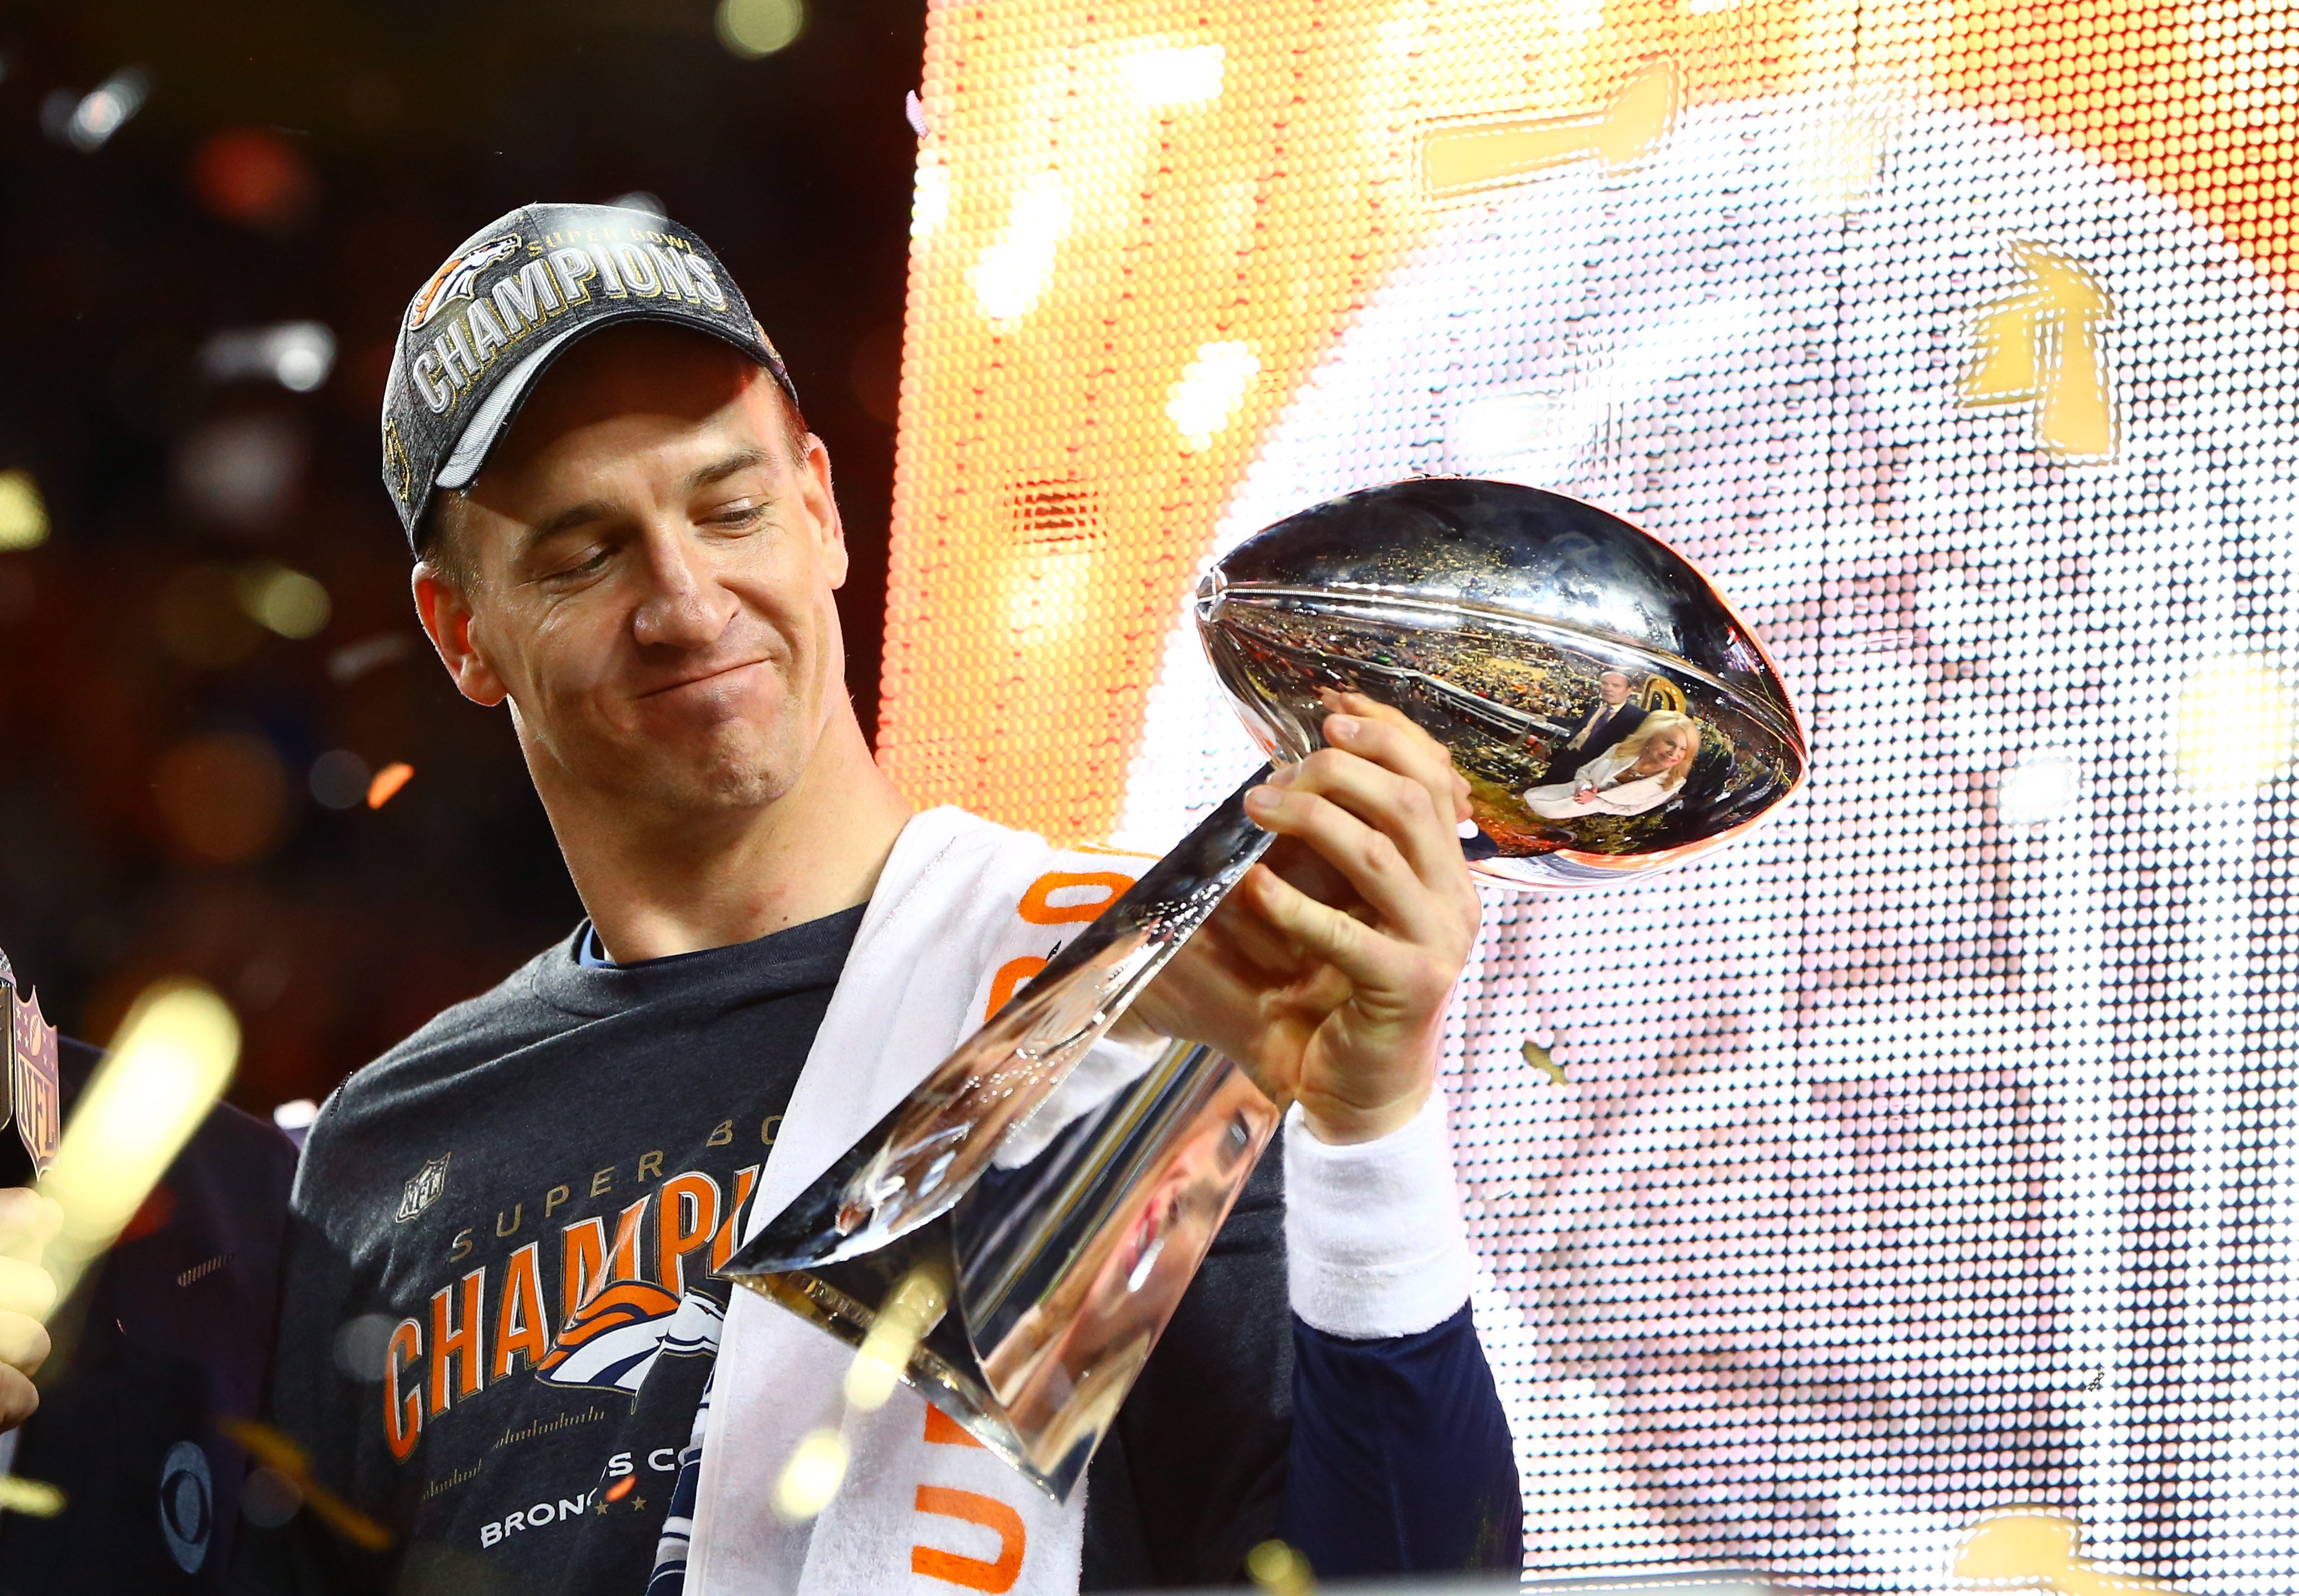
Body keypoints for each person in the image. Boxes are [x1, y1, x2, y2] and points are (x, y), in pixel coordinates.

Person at [217, 204, 1519, 1595]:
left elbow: (1405, 1583)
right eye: (583, 553)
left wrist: (1370, 1134)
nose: (685, 598)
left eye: (730, 508)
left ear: (823, 509)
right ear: (461, 630)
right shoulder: (379, 1159)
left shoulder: (1122, 999)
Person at [1523, 711, 1700, 820]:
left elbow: (1632, 811)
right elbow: (1584, 771)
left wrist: (1596, 803)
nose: (1675, 753)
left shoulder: (1675, 782)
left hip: (1573, 819)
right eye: (1670, 743)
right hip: (1548, 794)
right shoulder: (1620, 750)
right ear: (1650, 737)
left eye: (1684, 749)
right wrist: (1583, 786)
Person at [1539, 670, 1647, 784]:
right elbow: (1581, 723)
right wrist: (1548, 718)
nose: (1608, 688)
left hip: (1590, 772)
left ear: (1629, 691)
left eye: (1616, 686)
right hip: (1566, 759)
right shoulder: (1598, 703)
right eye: (1604, 683)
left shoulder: (1639, 716)